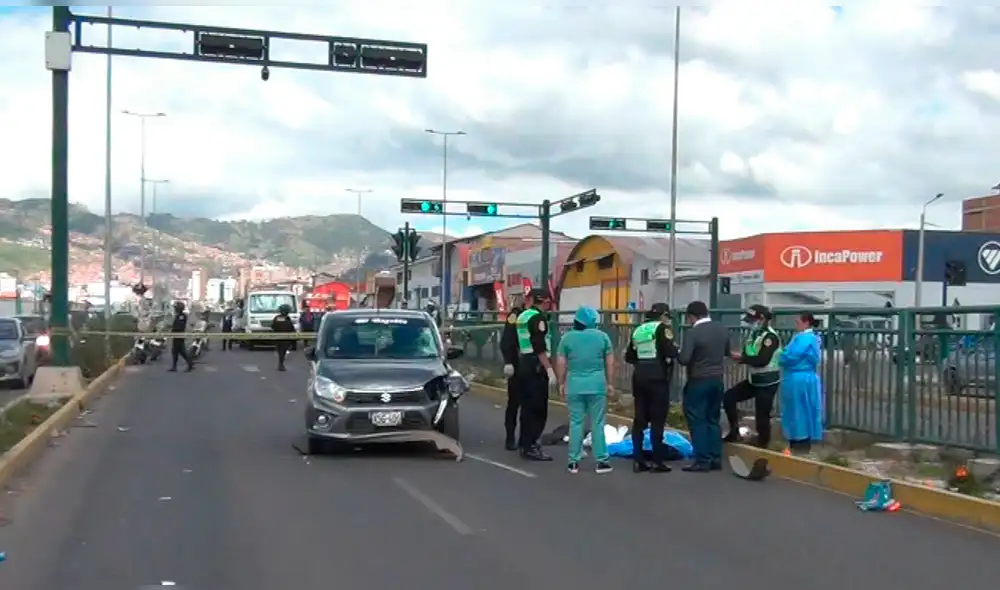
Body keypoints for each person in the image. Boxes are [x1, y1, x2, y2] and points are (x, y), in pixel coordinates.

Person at [556, 306, 614, 474]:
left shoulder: (567, 338)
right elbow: (610, 362)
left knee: (576, 423)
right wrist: (610, 383)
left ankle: (573, 462)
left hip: (574, 385)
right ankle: (602, 461)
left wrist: (561, 383)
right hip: (597, 385)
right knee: (597, 423)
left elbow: (561, 363)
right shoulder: (602, 337)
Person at [624, 302, 678, 473]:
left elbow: (629, 356)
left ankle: (638, 460)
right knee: (657, 419)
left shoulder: (638, 330)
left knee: (640, 419)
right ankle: (657, 461)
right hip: (657, 377)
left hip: (639, 376)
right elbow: (670, 352)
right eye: (668, 317)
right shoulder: (662, 329)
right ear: (663, 316)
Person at [677, 300, 730, 472]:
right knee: (713, 418)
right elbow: (727, 352)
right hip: (717, 379)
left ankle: (702, 459)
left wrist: (676, 351)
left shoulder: (693, 333)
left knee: (697, 419)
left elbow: (684, 359)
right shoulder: (722, 329)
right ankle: (715, 458)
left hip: (698, 380)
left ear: (691, 316)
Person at [723, 304, 782, 448]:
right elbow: (749, 353)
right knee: (729, 397)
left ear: (762, 319)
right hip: (754, 380)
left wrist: (742, 359)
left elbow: (762, 360)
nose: (751, 324)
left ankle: (763, 444)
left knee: (762, 415)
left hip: (767, 382)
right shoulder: (754, 335)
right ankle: (734, 431)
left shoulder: (770, 337)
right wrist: (740, 357)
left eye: (753, 320)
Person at [515, 287, 558, 461]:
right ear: (544, 301)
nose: (549, 306)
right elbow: (539, 346)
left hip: (524, 362)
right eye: (549, 302)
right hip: (536, 366)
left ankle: (524, 443)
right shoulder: (538, 318)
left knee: (526, 408)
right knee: (538, 408)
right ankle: (532, 445)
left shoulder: (522, 316)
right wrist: (549, 369)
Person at [779, 313, 824, 454]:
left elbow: (790, 356)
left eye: (798, 322)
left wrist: (782, 355)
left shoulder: (805, 338)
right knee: (805, 408)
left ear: (806, 323)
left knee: (798, 410)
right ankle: (800, 441)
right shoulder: (811, 338)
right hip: (803, 377)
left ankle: (799, 441)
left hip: (798, 378)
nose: (796, 325)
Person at [500, 305, 523, 451]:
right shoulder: (515, 315)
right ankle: (510, 437)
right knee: (514, 403)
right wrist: (508, 361)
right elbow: (506, 340)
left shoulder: (536, 314)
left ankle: (527, 439)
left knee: (530, 406)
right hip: (517, 365)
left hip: (532, 366)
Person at [168, 301, 194, 372]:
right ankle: (174, 366)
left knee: (182, 352)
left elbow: (179, 326)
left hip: (179, 335)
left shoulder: (182, 316)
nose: (175, 309)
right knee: (174, 351)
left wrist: (173, 330)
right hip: (176, 336)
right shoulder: (177, 315)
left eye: (176, 308)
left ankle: (190, 364)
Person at [271, 303, 296, 371]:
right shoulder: (287, 318)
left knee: (280, 352)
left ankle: (280, 364)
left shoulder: (277, 318)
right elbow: (291, 328)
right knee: (283, 351)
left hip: (277, 337)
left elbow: (273, 326)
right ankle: (281, 365)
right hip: (286, 338)